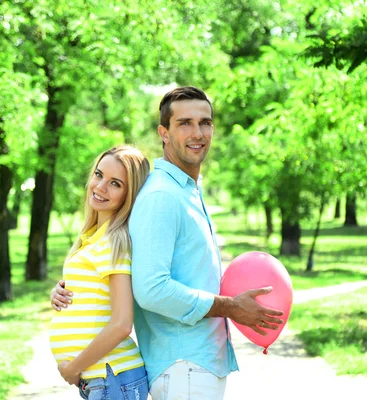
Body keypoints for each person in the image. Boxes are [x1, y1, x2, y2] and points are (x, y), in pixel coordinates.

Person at [52, 87, 284, 400]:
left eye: (205, 122)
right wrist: (231, 308)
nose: (197, 132)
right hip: (183, 367)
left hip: (195, 365)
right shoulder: (162, 196)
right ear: (164, 132)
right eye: (185, 123)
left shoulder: (187, 190)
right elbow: (151, 289)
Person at [49, 145, 150, 400]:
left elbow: (121, 324)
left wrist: (73, 367)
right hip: (103, 379)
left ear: (129, 194)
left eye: (115, 183)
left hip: (113, 376)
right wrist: (59, 294)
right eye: (98, 174)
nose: (100, 186)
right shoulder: (92, 237)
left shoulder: (114, 242)